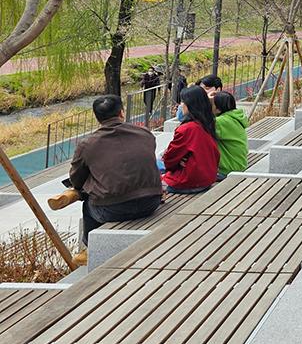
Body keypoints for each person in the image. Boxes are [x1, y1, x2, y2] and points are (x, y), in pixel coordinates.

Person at [47, 95, 162, 265]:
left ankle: (89, 248)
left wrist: (80, 187)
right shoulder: (145, 133)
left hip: (113, 209)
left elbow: (76, 177)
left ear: (97, 117)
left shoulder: (87, 144)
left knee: (89, 202)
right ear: (121, 112)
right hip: (151, 201)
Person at [160, 85, 221, 194]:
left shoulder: (187, 129)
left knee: (152, 171)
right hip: (207, 179)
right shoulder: (207, 123)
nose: (180, 105)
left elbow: (170, 159)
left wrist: (178, 161)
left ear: (190, 105)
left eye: (182, 102)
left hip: (188, 181)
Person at [212, 91, 249, 179]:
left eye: (211, 104)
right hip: (238, 165)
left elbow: (199, 123)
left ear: (218, 109)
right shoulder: (234, 117)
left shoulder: (221, 122)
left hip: (227, 170)